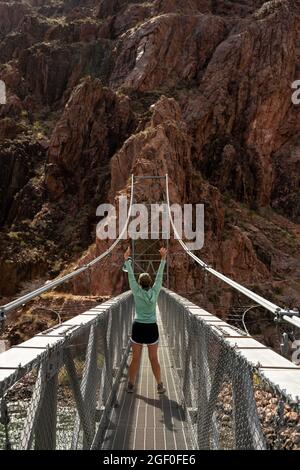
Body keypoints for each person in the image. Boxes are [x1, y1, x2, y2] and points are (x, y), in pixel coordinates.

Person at [123, 246, 167, 394]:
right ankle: (160, 385)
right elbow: (160, 275)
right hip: (151, 328)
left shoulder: (136, 291)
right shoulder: (155, 291)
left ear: (140, 283)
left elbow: (130, 276)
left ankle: (130, 384)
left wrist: (126, 260)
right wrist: (163, 259)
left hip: (138, 327)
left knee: (135, 358)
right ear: (150, 282)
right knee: (154, 358)